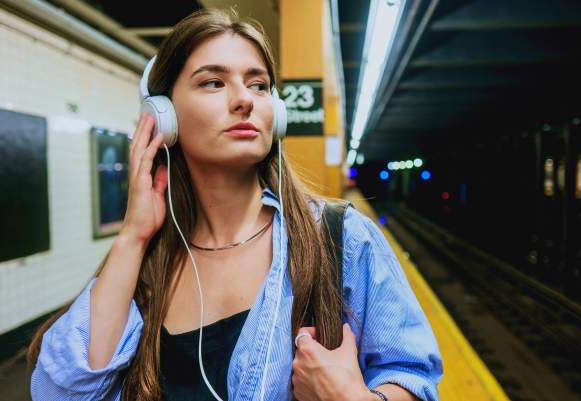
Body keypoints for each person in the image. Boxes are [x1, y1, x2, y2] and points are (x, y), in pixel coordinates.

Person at [27, 8, 442, 401]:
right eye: (214, 82)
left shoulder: (340, 241)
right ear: (164, 115)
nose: (244, 100)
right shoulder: (148, 260)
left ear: (275, 113)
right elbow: (60, 392)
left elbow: (412, 377)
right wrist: (133, 236)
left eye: (258, 85)